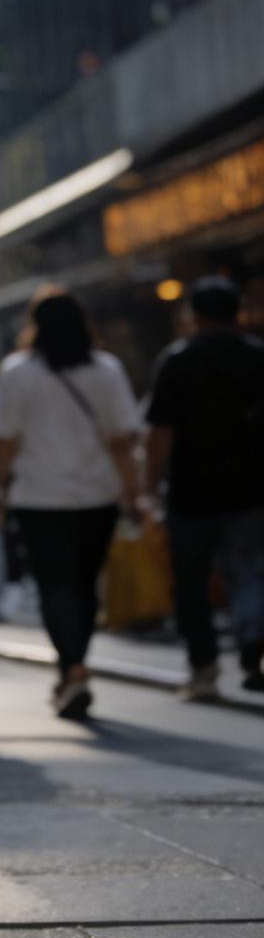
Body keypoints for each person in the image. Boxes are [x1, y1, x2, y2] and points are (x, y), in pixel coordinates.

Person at [0, 289, 142, 721]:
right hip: (97, 496)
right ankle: (75, 665)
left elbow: (3, 442)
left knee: (55, 584)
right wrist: (134, 493)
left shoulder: (18, 372)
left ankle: (71, 668)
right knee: (85, 584)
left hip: (39, 498)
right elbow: (123, 440)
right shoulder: (106, 370)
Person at [146, 276, 264, 701]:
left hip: (190, 489)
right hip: (250, 488)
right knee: (248, 571)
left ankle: (204, 667)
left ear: (193, 314)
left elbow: (160, 431)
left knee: (191, 582)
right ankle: (254, 650)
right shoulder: (257, 358)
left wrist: (148, 484)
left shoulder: (177, 360)